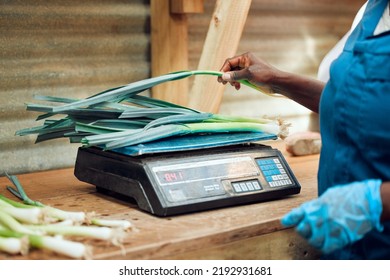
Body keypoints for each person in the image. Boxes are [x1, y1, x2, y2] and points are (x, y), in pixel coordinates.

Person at [217, 0, 390, 259]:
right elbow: (351, 99)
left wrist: (372, 203)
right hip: (345, 247)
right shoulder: (372, 11)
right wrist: (277, 80)